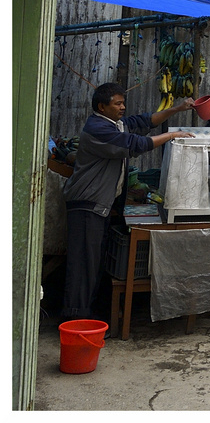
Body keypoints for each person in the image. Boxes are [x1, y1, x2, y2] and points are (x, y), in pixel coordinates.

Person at [62, 83, 195, 320]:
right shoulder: (98, 129)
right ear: (102, 106)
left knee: (93, 265)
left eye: (123, 102)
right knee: (83, 267)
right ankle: (75, 322)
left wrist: (177, 109)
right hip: (86, 204)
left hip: (99, 206)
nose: (123, 107)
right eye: (117, 103)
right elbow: (135, 144)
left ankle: (85, 318)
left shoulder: (116, 123)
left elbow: (145, 121)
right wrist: (172, 135)